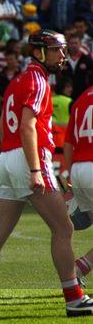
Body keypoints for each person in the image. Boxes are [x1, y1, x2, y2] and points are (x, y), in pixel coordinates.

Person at [0, 30, 93, 319]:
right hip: (29, 159)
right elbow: (27, 126)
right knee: (64, 229)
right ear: (39, 51)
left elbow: (2, 128)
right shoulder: (38, 80)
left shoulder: (16, 81)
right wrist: (36, 169)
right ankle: (74, 298)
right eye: (56, 50)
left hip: (7, 158)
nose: (62, 56)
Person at [63, 86, 93, 286]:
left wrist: (69, 172)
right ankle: (77, 269)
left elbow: (68, 142)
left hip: (79, 168)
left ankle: (77, 271)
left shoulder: (82, 98)